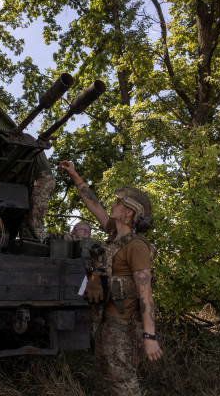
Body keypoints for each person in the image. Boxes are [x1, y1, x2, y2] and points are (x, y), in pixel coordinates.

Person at [58, 160, 162, 396]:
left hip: (123, 327)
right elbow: (94, 204)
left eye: (118, 202)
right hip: (106, 322)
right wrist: (75, 176)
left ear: (129, 212)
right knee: (110, 377)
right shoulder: (113, 234)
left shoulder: (137, 246)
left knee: (124, 384)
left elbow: (145, 293)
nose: (112, 205)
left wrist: (149, 335)